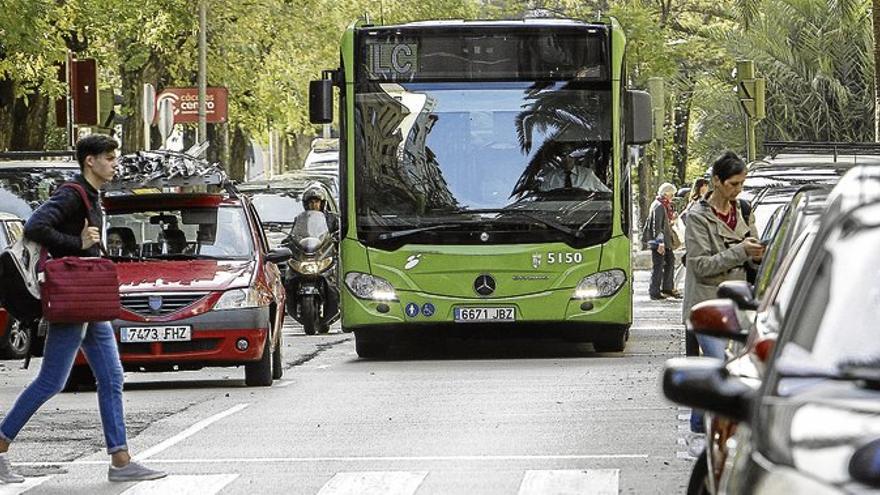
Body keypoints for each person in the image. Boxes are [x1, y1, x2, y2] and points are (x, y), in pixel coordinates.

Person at [0, 135, 167, 484]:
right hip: (73, 300)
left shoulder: (91, 196)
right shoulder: (72, 194)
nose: (114, 163)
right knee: (51, 381)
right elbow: (35, 226)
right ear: (89, 161)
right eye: (108, 158)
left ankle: (120, 460)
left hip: (88, 301)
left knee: (111, 377)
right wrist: (79, 243)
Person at [682, 150, 765, 454]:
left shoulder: (743, 208)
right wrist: (742, 251)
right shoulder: (697, 216)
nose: (738, 190)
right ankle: (701, 432)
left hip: (739, 304)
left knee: (730, 368)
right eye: (733, 183)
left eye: (742, 184)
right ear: (716, 181)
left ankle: (706, 427)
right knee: (719, 366)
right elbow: (701, 265)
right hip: (707, 304)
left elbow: (752, 249)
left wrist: (758, 253)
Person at [645, 182, 680, 300]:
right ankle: (655, 291)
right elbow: (657, 226)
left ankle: (667, 288)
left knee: (669, 262)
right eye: (671, 194)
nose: (672, 197)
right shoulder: (659, 206)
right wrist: (660, 242)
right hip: (659, 242)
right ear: (666, 193)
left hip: (663, 241)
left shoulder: (662, 205)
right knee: (659, 266)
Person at [537, 150, 612, 193]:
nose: (567, 159)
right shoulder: (551, 176)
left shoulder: (587, 174)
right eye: (563, 156)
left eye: (570, 156)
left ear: (575, 158)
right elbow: (541, 196)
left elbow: (607, 194)